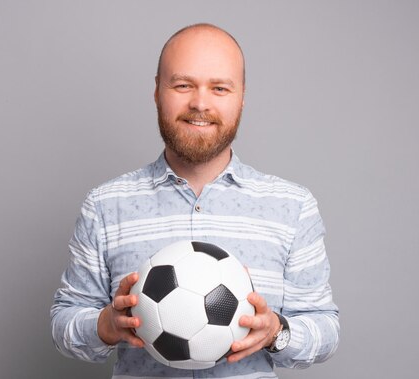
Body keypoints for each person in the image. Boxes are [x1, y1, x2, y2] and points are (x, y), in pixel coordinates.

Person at [51, 23, 339, 378]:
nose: (200, 103)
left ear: (241, 97)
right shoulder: (105, 206)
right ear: (158, 91)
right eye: (183, 85)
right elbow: (64, 320)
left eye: (219, 88)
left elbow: (325, 327)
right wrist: (105, 325)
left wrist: (276, 332)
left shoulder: (292, 207)